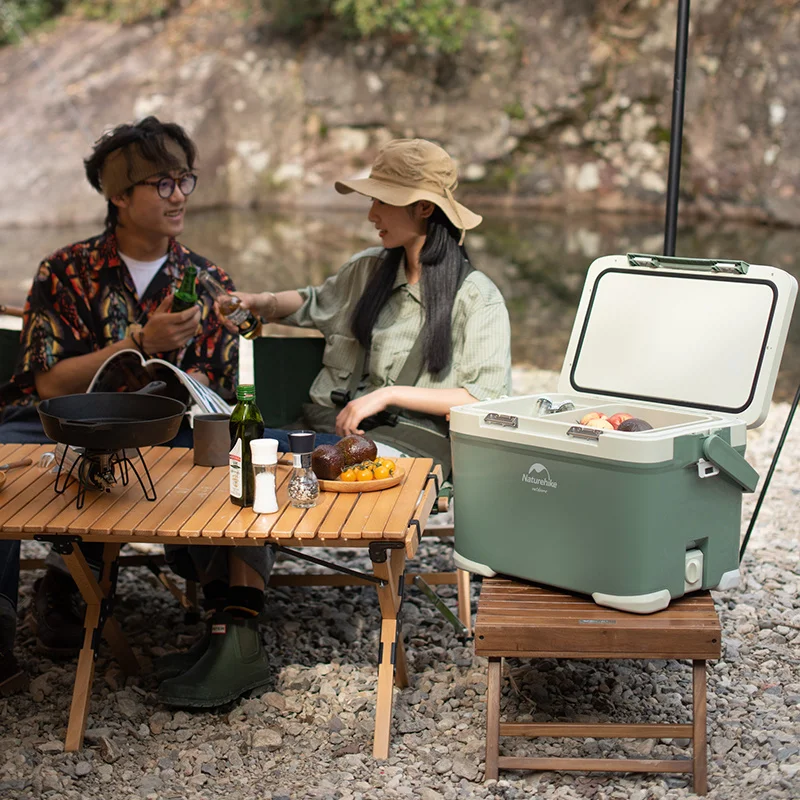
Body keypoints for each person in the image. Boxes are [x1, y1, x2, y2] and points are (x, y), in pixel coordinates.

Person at [156, 138, 512, 708]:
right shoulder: (368, 271)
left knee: (256, 476)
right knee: (224, 461)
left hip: (410, 454)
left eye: (383, 202)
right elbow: (310, 302)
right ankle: (229, 632)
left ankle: (238, 642)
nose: (370, 214)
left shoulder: (477, 298)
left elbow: (487, 397)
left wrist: (389, 393)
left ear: (424, 209)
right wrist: (253, 301)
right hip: (338, 438)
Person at [0, 116, 259, 695]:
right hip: (63, 426)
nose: (178, 197)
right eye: (162, 184)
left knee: (236, 457)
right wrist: (140, 342)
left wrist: (188, 374)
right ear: (119, 196)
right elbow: (48, 385)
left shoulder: (206, 279)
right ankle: (18, 613)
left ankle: (230, 626)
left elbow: (221, 387)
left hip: (168, 429)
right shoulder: (65, 272)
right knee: (0, 454)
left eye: (184, 180)